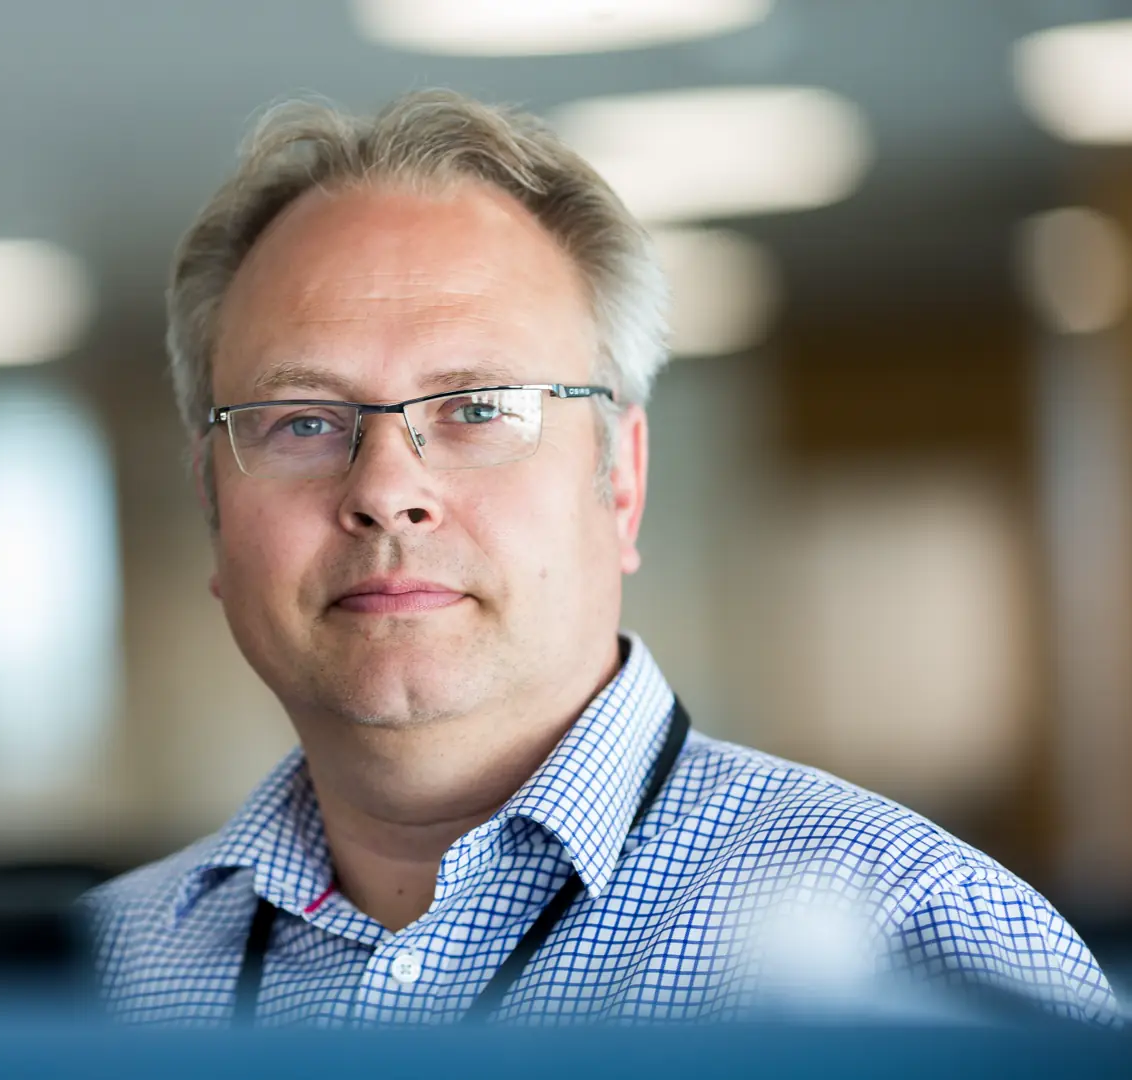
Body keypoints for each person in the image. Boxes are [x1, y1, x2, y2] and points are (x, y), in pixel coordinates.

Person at [84, 90, 1120, 1026]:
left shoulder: (915, 937)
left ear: (619, 480)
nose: (385, 489)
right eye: (303, 422)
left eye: (478, 409)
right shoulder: (96, 975)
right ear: (213, 504)